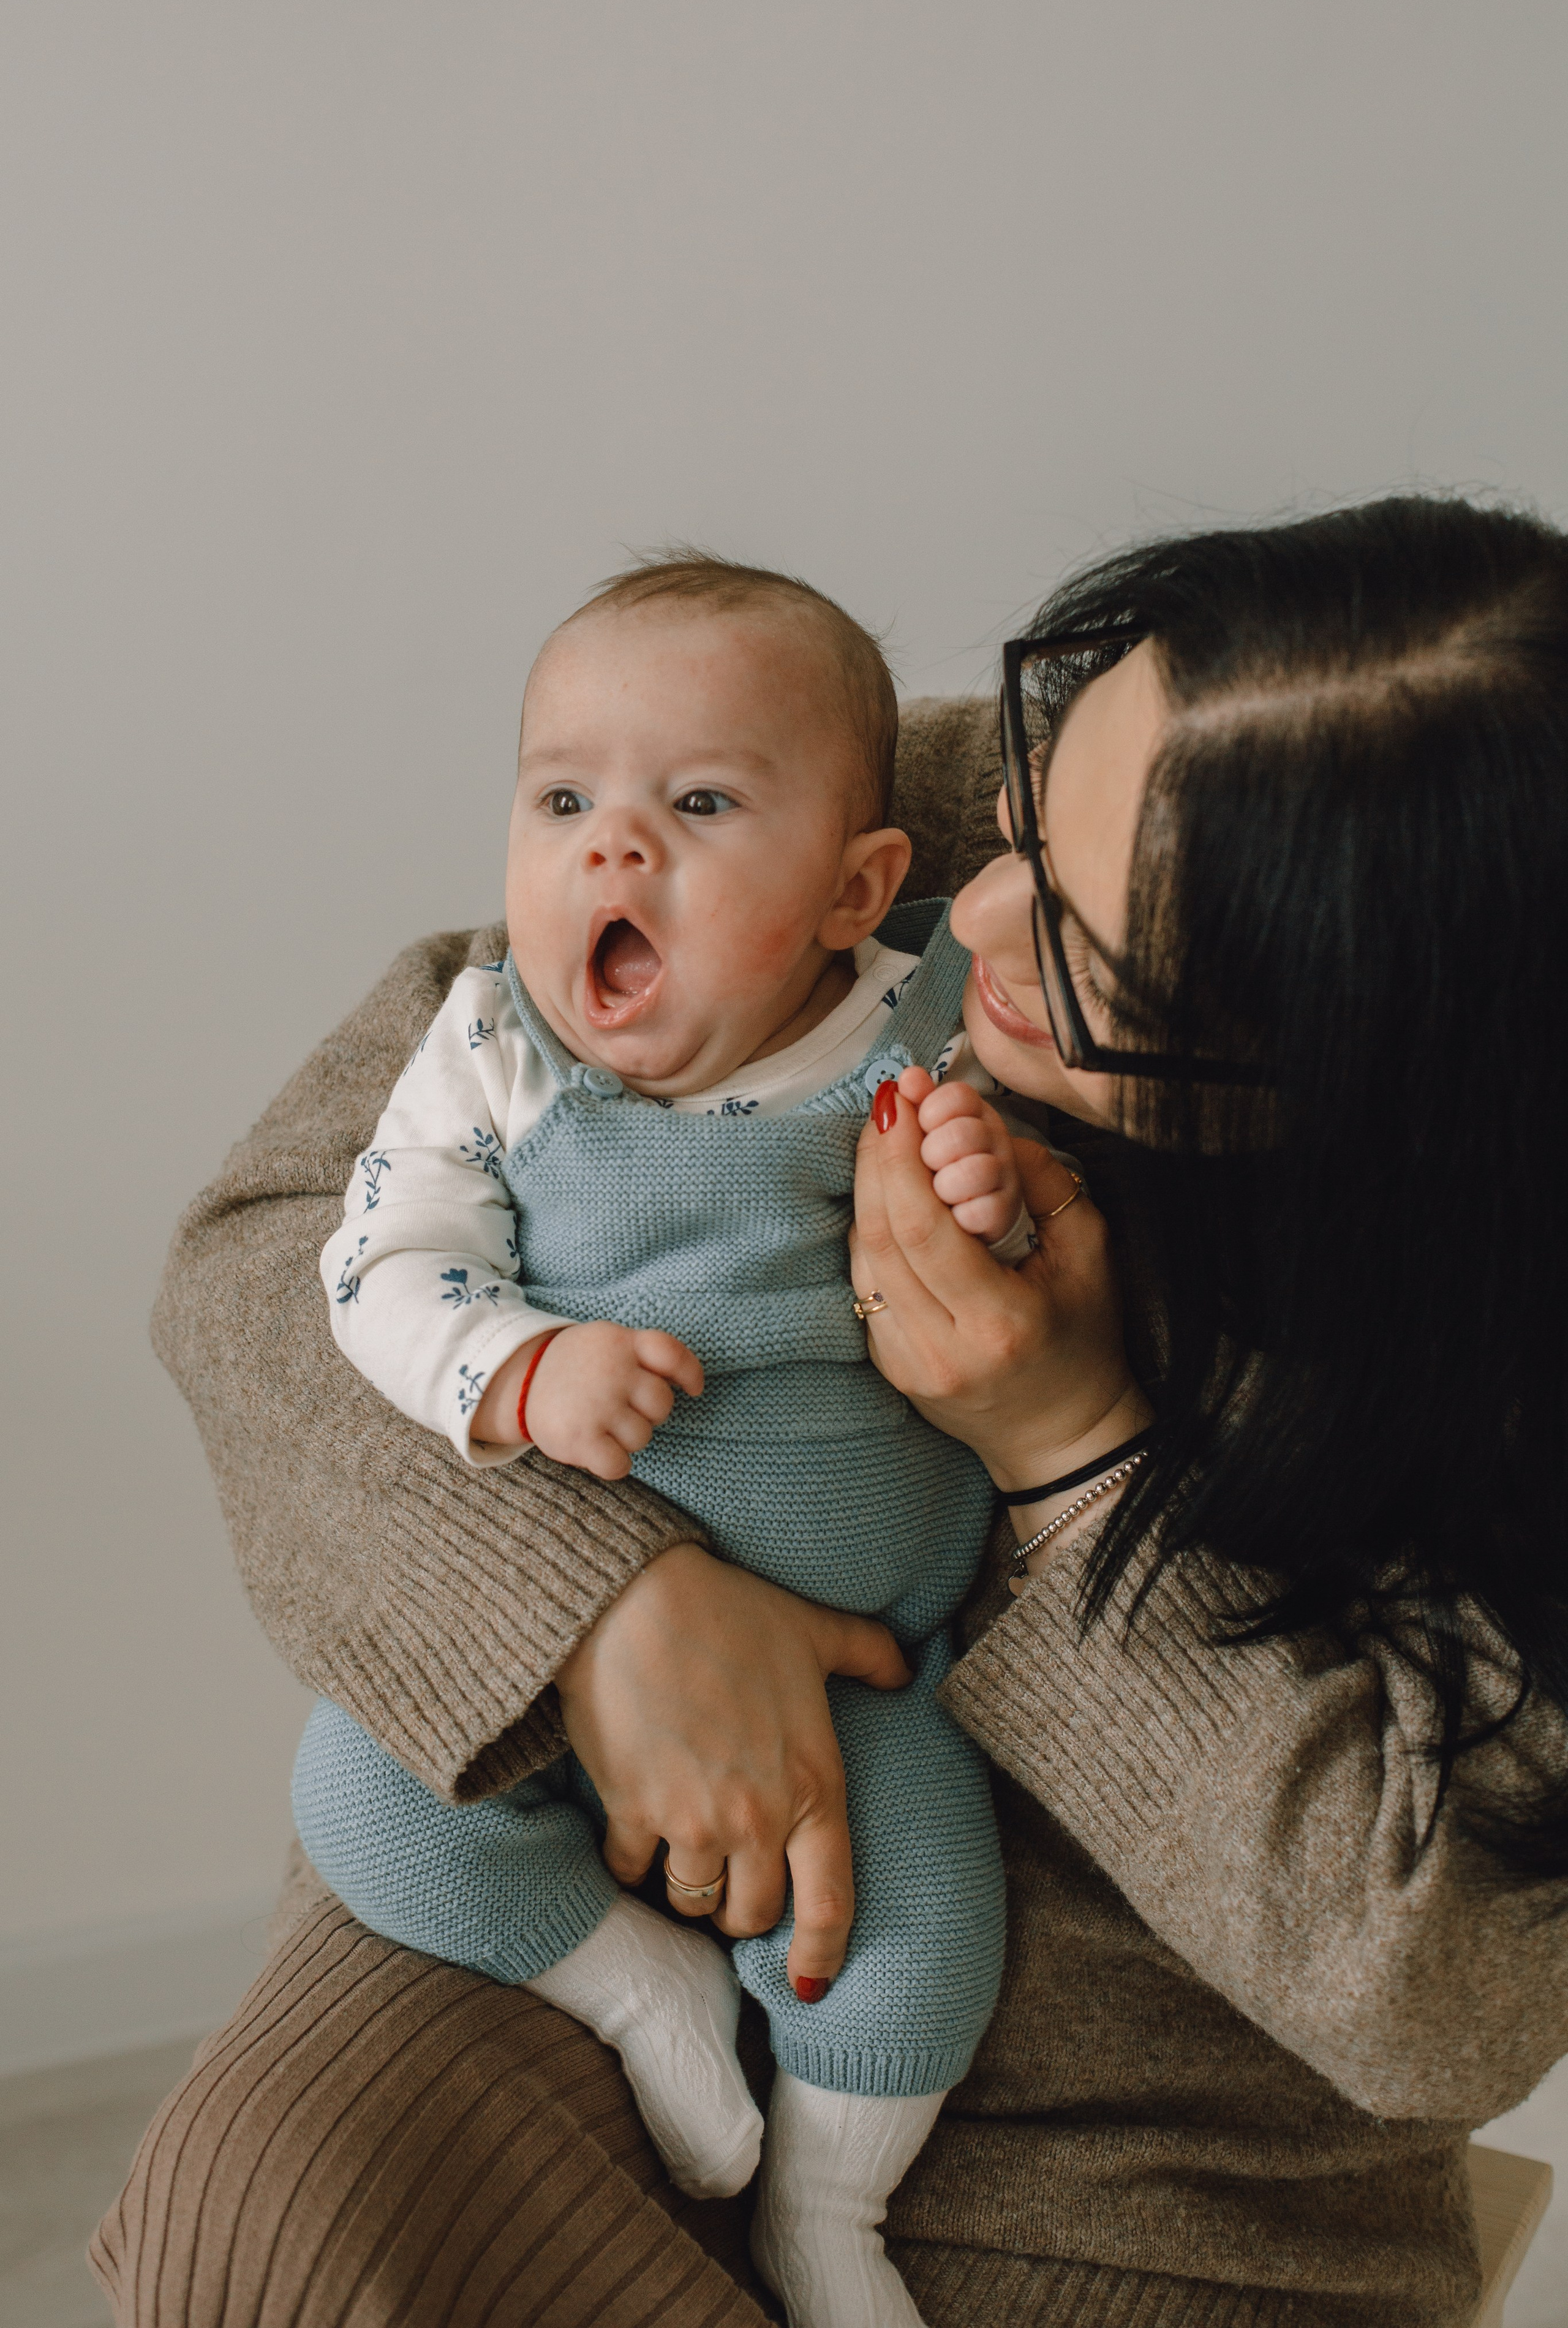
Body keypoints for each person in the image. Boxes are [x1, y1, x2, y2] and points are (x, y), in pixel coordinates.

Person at [95, 494, 1568, 2328]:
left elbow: (1444, 1986)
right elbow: (265, 1255)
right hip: (581, 1891)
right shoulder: (860, 815)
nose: (987, 910)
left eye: (1095, 963)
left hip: (1147, 2154)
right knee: (267, 2224)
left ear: (1376, 1088)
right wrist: (598, 1609)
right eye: (1024, 819)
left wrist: (1069, 1449)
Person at [292, 554, 1043, 2328]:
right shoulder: (489, 1050)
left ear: (857, 890)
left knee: (917, 1949)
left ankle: (827, 2213)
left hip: (866, 1688)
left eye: (698, 804)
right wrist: (514, 1369)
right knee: (364, 1803)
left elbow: (1032, 1271)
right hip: (551, 1650)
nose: (611, 850)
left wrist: (986, 1197)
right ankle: (635, 1993)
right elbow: (373, 1265)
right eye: (566, 801)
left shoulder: (917, 1034)